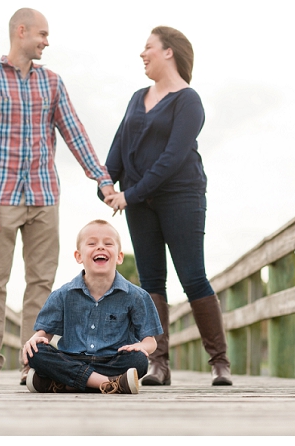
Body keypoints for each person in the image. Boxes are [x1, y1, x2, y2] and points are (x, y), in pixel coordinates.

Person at [0, 8, 115, 386]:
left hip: (45, 195)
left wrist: (103, 180)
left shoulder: (52, 82)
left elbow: (75, 134)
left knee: (41, 285)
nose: (47, 41)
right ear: (21, 31)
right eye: (42, 34)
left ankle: (33, 362)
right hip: (0, 198)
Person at [102, 26, 232, 386]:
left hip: (181, 195)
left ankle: (219, 362)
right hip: (138, 201)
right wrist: (106, 184)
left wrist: (128, 195)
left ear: (168, 52)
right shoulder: (136, 97)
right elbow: (118, 149)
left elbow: (173, 157)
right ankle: (159, 363)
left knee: (192, 276)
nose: (142, 54)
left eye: (148, 47)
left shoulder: (188, 100)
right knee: (151, 282)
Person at [22, 219, 162, 394]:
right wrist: (35, 339)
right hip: (71, 358)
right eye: (92, 243)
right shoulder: (62, 294)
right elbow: (45, 332)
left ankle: (64, 383)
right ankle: (108, 383)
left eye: (108, 243)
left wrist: (142, 347)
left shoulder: (136, 296)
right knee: (35, 352)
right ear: (78, 256)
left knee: (139, 360)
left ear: (119, 256)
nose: (101, 247)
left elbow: (151, 342)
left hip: (112, 360)